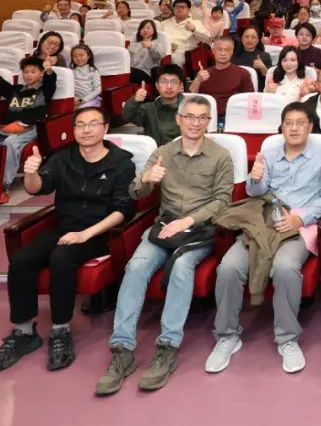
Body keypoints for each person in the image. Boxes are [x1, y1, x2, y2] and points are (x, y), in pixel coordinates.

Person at [95, 95, 234, 395]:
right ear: (179, 120)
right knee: (135, 267)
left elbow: (223, 201)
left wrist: (188, 221)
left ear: (209, 122)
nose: (195, 123)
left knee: (182, 266)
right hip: (164, 228)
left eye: (202, 117)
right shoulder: (162, 153)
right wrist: (147, 178)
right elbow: (136, 193)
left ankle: (168, 347)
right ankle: (122, 349)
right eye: (190, 117)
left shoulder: (220, 156)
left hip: (199, 231)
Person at [0, 107, 136, 373]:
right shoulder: (63, 158)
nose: (86, 130)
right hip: (65, 228)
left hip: (99, 232)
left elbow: (123, 210)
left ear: (105, 128)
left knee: (61, 258)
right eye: (80, 125)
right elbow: (37, 187)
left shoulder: (122, 162)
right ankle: (24, 332)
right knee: (21, 260)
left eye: (93, 124)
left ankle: (60, 331)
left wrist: (86, 234)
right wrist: (31, 173)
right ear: (73, 130)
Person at [207, 102, 321, 375]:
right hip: (263, 223)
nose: (294, 128)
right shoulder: (268, 153)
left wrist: (300, 219)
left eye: (300, 123)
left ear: (310, 127)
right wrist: (255, 179)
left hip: (299, 226)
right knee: (228, 267)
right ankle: (227, 335)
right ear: (282, 127)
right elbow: (255, 193)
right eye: (288, 123)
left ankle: (287, 338)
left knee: (285, 267)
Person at [0, 57, 57, 198]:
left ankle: (4, 185)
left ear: (41, 73)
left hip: (31, 127)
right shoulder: (16, 90)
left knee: (9, 144)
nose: (28, 75)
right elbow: (3, 86)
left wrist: (49, 70)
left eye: (33, 72)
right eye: (26, 72)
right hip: (9, 127)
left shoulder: (43, 91)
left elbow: (50, 82)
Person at [190, 36, 254, 127]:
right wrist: (198, 80)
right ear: (213, 51)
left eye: (227, 50)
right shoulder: (203, 74)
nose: (223, 53)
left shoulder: (243, 73)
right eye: (219, 49)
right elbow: (191, 97)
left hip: (234, 119)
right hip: (206, 118)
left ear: (232, 52)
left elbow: (251, 101)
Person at [124, 64, 185, 145]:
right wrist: (135, 100)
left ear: (181, 85)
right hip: (156, 152)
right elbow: (127, 116)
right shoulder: (149, 108)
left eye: (174, 82)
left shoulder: (190, 108)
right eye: (163, 82)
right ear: (157, 86)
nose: (169, 86)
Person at [160, 0, 211, 67]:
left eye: (183, 7)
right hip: (164, 50)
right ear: (173, 9)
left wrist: (194, 29)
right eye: (177, 7)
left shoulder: (195, 23)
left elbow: (207, 37)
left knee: (172, 59)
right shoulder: (164, 23)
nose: (179, 9)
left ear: (189, 9)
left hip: (182, 53)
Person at [232, 26, 272, 90]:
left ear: (258, 40)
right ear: (241, 39)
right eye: (246, 36)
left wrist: (262, 67)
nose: (249, 40)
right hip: (235, 91)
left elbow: (270, 80)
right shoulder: (233, 56)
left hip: (258, 91)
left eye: (253, 37)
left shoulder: (265, 56)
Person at [129, 19, 167, 85]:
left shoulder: (158, 44)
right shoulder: (133, 44)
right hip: (132, 71)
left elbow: (159, 56)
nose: (145, 30)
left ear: (154, 30)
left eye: (148, 28)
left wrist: (150, 47)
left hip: (148, 73)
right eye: (142, 28)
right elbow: (127, 59)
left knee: (129, 71)